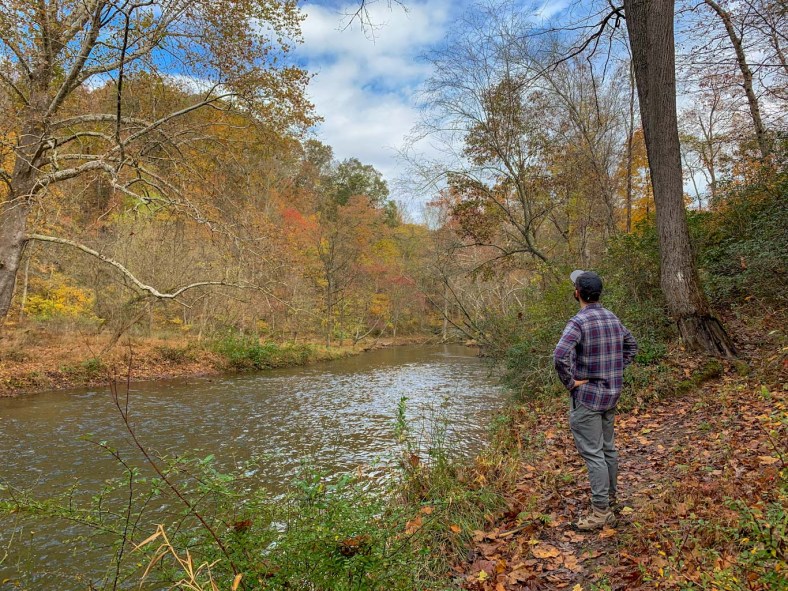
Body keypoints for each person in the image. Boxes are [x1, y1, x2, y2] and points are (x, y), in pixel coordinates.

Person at [553, 270, 638, 531]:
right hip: (611, 395)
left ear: (577, 293)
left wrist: (570, 382)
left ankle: (601, 511)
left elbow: (560, 355)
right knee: (608, 449)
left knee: (594, 454)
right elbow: (631, 346)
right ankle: (610, 500)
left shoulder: (578, 322)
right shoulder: (612, 317)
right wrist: (615, 370)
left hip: (588, 398)